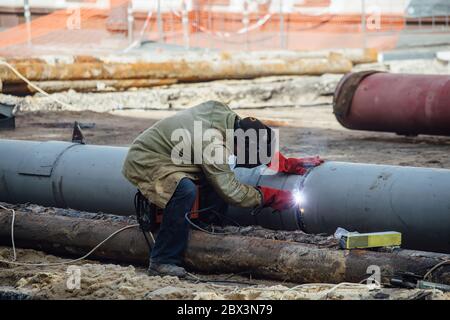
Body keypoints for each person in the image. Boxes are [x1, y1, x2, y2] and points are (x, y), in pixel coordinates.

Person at [122, 100, 323, 277]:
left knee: (215, 175)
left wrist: (286, 164)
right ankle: (162, 259)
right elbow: (231, 191)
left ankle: (205, 229)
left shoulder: (228, 119)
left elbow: (252, 144)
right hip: (148, 158)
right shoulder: (212, 144)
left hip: (178, 153)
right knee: (185, 190)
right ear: (237, 144)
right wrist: (267, 196)